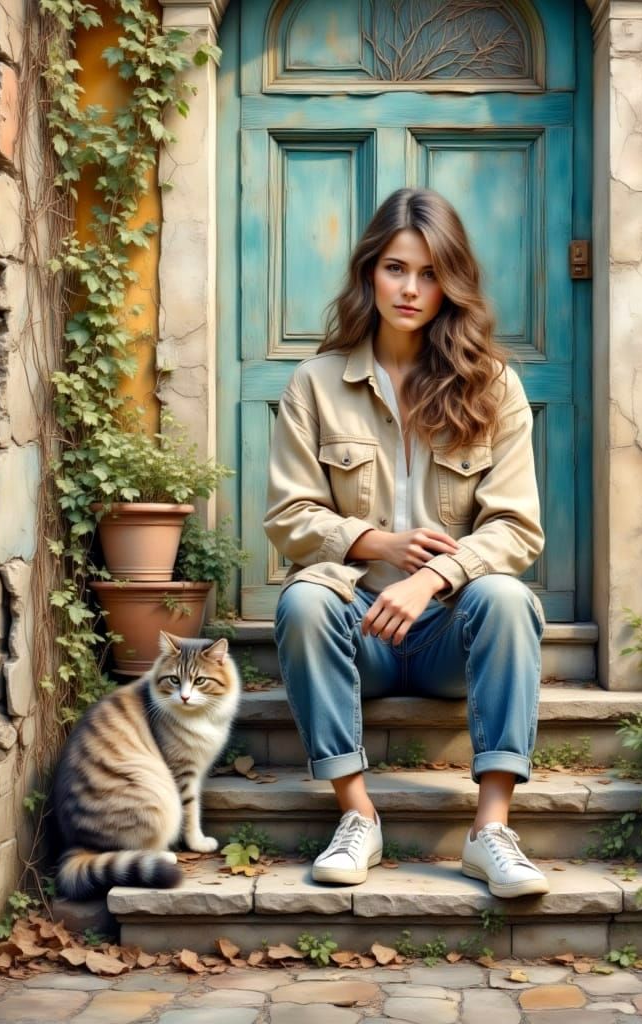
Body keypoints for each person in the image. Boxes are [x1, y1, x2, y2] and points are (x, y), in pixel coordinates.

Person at [263, 187, 549, 898]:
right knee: (303, 600)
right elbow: (289, 516)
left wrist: (436, 577)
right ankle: (358, 817)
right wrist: (379, 545)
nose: (411, 289)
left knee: (508, 598)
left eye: (429, 273)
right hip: (359, 632)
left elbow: (517, 529)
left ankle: (490, 831)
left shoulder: (493, 387)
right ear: (369, 273)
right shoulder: (316, 383)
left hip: (450, 636)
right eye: (396, 269)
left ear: (451, 283)